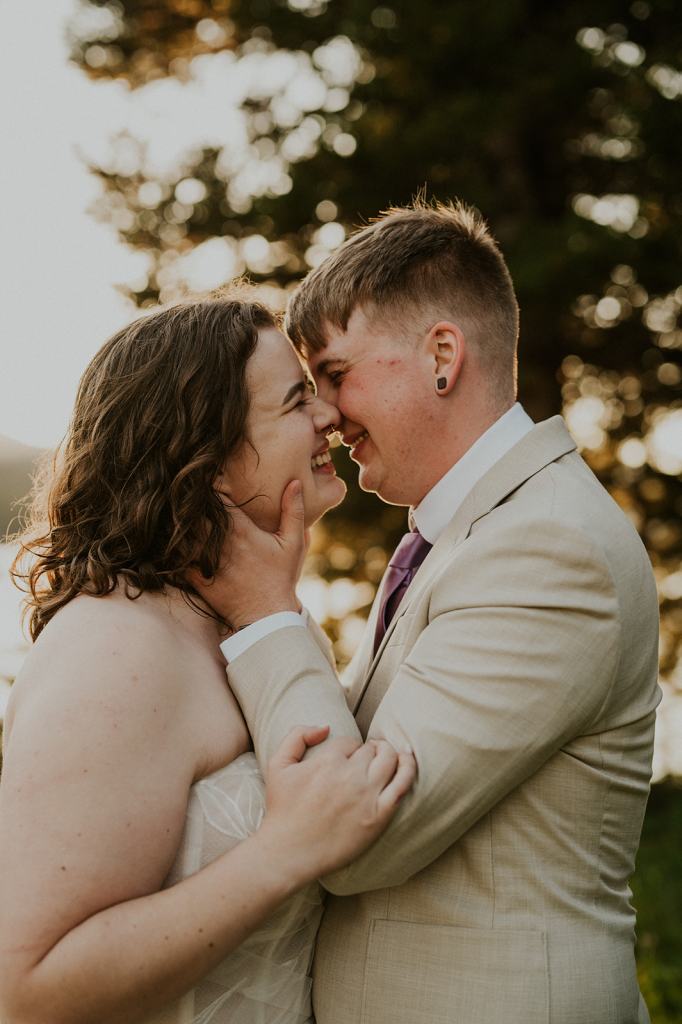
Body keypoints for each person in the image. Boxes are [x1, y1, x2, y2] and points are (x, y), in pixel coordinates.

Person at [193, 201, 661, 1024]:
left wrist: (268, 610)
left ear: (443, 355)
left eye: (335, 374)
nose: (327, 416)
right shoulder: (460, 537)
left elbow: (361, 832)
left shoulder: (548, 547)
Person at [0, 296, 416, 1024]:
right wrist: (283, 853)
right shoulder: (116, 644)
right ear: (210, 462)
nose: (329, 416)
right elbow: (27, 991)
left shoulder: (243, 625)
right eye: (295, 401)